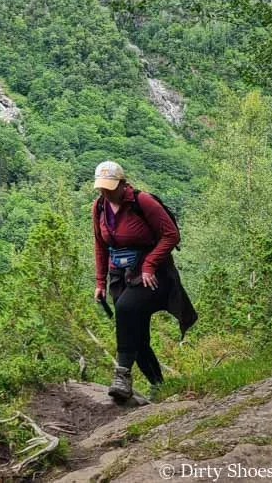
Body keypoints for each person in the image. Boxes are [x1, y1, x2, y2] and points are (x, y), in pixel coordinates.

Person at [92, 160, 197, 401]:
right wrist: (100, 281)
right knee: (135, 334)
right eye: (101, 188)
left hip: (153, 275)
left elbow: (171, 234)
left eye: (110, 187)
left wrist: (150, 264)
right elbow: (100, 245)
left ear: (122, 184)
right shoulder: (99, 207)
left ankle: (122, 374)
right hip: (120, 276)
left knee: (125, 308)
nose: (105, 192)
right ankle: (159, 386)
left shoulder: (143, 202)